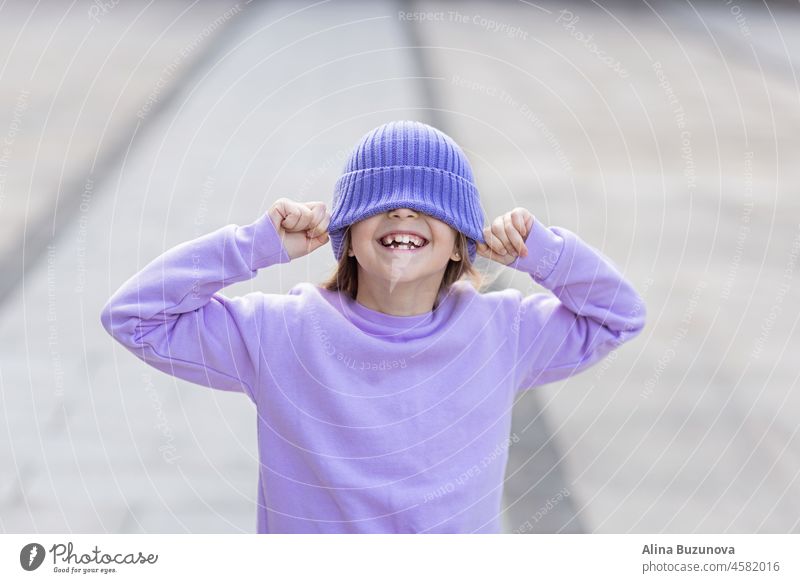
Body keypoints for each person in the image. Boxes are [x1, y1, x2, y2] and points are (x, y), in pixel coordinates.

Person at [100, 120, 647, 533]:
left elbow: (619, 316)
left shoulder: (501, 332)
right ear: (346, 236)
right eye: (381, 204)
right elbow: (134, 316)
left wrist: (544, 254)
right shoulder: (281, 332)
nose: (403, 214)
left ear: (461, 241)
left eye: (426, 207)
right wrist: (257, 244)